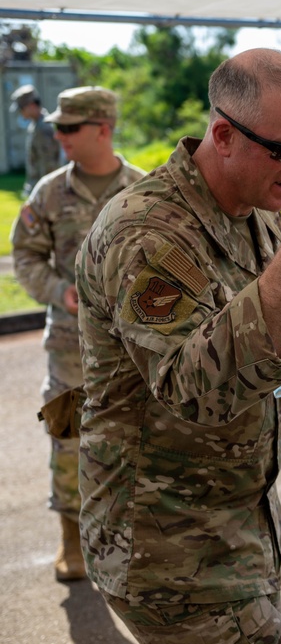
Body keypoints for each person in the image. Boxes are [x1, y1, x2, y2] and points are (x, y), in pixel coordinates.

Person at [74, 48, 281, 644]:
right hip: (168, 556)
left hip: (231, 533)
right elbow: (195, 391)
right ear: (223, 134)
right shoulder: (147, 233)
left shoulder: (254, 208)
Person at [10, 86, 145, 582]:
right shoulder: (48, 192)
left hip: (132, 351)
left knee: (133, 442)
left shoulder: (142, 191)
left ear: (103, 129)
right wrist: (58, 289)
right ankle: (71, 538)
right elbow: (24, 255)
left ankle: (128, 541)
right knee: (67, 439)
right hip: (69, 349)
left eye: (69, 128)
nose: (59, 136)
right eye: (57, 128)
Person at [9, 84, 63, 197]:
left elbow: (49, 165)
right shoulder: (35, 126)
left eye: (21, 109)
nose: (20, 113)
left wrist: (44, 193)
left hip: (46, 191)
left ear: (32, 105)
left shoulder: (43, 128)